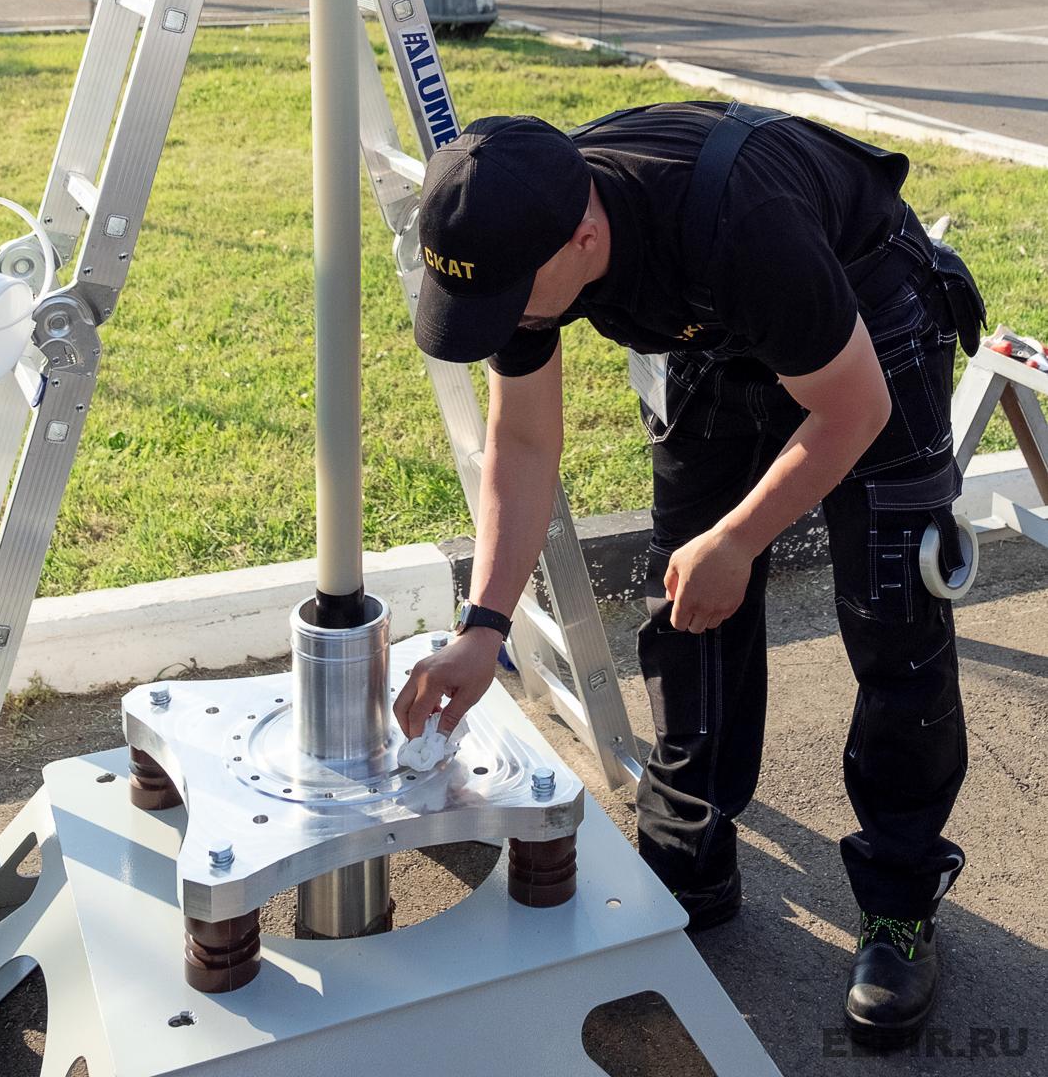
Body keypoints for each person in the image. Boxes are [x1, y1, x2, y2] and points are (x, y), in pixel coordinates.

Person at [394, 100, 985, 1050]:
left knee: (894, 621)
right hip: (716, 331)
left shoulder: (739, 218)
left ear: (586, 237)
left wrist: (742, 539)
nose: (507, 323)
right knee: (687, 601)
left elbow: (851, 408)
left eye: (512, 305)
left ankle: (899, 905)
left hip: (862, 319)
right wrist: (484, 624)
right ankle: (689, 859)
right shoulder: (514, 220)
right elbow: (523, 438)